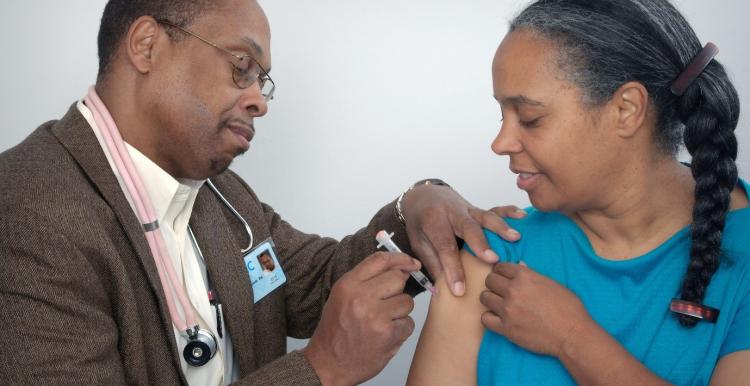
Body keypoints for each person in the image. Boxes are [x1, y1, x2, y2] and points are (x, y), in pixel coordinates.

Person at [0, 1, 525, 385]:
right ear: (147, 46)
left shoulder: (221, 195)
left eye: (262, 81)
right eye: (241, 67)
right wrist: (319, 370)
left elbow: (316, 282)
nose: (259, 101)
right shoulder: (28, 210)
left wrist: (416, 206)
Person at [407, 0, 749, 385]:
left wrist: (573, 339)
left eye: (530, 118)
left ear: (626, 109)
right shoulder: (491, 253)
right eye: (502, 115)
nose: (500, 143)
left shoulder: (743, 251)